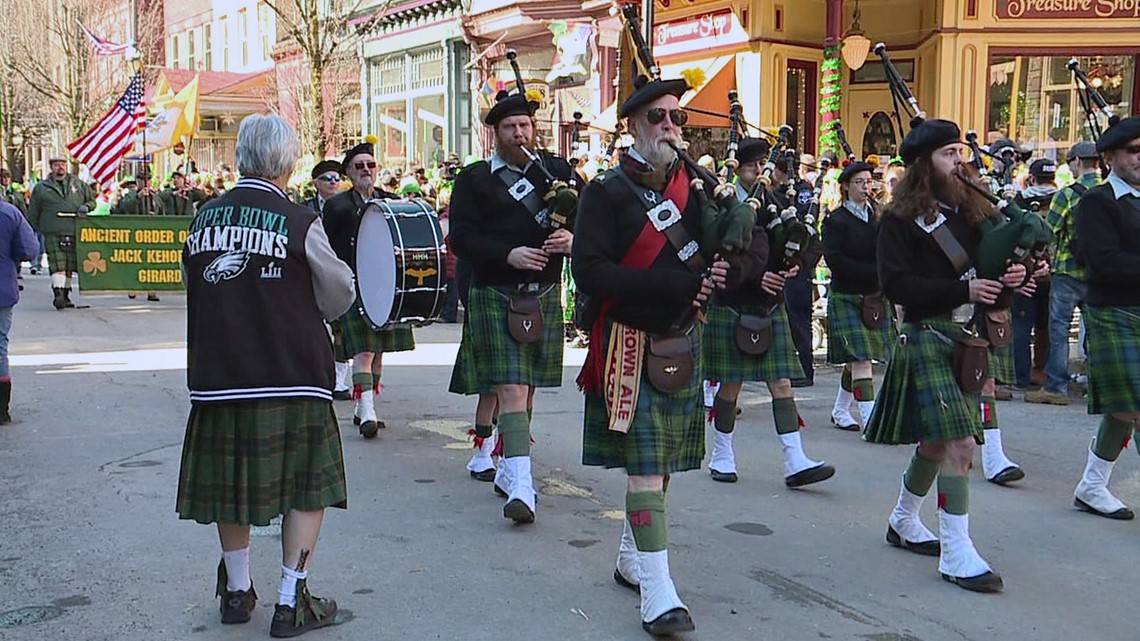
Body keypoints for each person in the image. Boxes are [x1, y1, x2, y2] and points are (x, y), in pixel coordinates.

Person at [175, 114, 355, 636]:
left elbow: (196, 280)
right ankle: (288, 600)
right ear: (288, 162)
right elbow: (339, 294)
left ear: (240, 158)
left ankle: (236, 591)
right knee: (304, 489)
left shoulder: (204, 217)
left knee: (230, 488)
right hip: (291, 375)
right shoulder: (301, 221)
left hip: (219, 376)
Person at [573, 73, 734, 635]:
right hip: (629, 342)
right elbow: (588, 272)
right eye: (658, 118)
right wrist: (672, 285)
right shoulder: (604, 193)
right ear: (633, 127)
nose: (670, 127)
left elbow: (715, 255)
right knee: (645, 468)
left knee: (660, 467)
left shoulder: (696, 186)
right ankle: (659, 591)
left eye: (676, 118)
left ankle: (631, 556)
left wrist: (721, 268)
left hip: (682, 339)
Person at [865, 119, 1037, 594]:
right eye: (948, 154)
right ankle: (956, 552)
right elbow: (896, 286)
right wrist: (962, 287)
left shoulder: (971, 213)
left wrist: (1011, 284)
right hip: (926, 334)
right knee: (961, 446)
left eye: (959, 152)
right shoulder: (898, 222)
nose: (959, 161)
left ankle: (902, 519)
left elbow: (989, 285)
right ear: (923, 166)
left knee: (937, 445)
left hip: (967, 337)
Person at [447, 88, 576, 522]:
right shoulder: (475, 179)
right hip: (495, 290)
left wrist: (573, 241)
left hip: (542, 292)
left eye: (525, 125)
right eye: (509, 127)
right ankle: (523, 485)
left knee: (529, 387)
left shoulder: (558, 172)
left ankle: (507, 463)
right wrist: (508, 254)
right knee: (511, 387)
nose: (519, 132)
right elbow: (460, 238)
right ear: (496, 134)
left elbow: (594, 222)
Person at [703, 137, 835, 487]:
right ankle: (722, 453)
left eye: (762, 166)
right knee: (731, 384)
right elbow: (721, 252)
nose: (759, 172)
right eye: (751, 167)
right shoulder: (723, 204)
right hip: (734, 303)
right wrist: (760, 276)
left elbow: (813, 241)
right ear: (736, 169)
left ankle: (795, 459)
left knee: (781, 382)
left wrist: (797, 265)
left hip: (769, 304)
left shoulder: (777, 202)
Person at [1070, 116, 1140, 521]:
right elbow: (1103, 262)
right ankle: (1093, 485)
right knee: (1132, 404)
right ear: (1110, 157)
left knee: (1124, 409)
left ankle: (1092, 485)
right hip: (1113, 311)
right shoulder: (1096, 202)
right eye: (1134, 151)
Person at [322, 141, 408, 438]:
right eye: (359, 166)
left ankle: (362, 406)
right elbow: (329, 248)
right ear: (348, 171)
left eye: (370, 165)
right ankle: (369, 411)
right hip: (355, 285)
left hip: (386, 285)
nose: (366, 171)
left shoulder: (391, 200)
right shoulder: (337, 206)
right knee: (364, 350)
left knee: (379, 348)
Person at [822, 161, 895, 431]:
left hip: (874, 296)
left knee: (857, 361)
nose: (866, 187)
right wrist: (876, 273)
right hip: (847, 294)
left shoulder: (879, 216)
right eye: (860, 182)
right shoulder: (835, 220)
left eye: (869, 182)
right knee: (862, 358)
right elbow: (835, 260)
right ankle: (871, 421)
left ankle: (840, 410)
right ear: (845, 187)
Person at [1026, 142, 1101, 406]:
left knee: (1059, 329)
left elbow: (1048, 231)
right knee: (1097, 331)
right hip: (1100, 274)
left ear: (1078, 161)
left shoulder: (1067, 195)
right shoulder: (1111, 191)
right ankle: (1098, 388)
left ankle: (1056, 387)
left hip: (1068, 271)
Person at [302, 159, 352, 401]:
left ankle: (339, 379)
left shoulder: (347, 205)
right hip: (311, 270)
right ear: (316, 183)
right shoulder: (305, 208)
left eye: (337, 179)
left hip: (338, 268)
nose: (333, 183)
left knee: (341, 329)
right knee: (316, 327)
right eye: (328, 179)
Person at [769, 152, 818, 386]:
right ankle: (803, 369)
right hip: (800, 267)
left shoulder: (777, 195)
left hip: (788, 265)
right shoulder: (808, 193)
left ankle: (796, 370)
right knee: (799, 320)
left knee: (791, 320)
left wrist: (801, 263)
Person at [26, 156, 95, 310]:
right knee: (58, 264)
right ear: (51, 167)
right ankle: (58, 293)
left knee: (70, 264)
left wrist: (86, 207)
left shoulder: (78, 184)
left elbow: (92, 201)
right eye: (57, 164)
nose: (60, 167)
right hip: (52, 230)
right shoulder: (41, 187)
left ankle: (65, 294)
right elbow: (33, 211)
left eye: (63, 164)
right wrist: (31, 230)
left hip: (74, 229)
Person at [1012, 159, 1058, 390]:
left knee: (1021, 325)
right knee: (1048, 326)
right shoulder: (1062, 200)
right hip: (1053, 275)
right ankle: (1045, 373)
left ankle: (1020, 376)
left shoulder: (1018, 201)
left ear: (1031, 177)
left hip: (1023, 272)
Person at [0, 196, 39, 422]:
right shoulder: (9, 213)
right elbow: (29, 249)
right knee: (0, 346)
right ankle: (1, 409)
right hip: (3, 288)